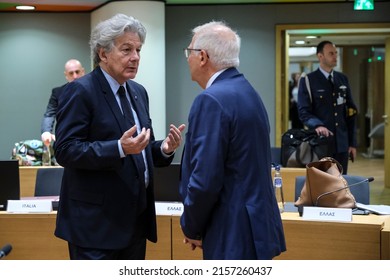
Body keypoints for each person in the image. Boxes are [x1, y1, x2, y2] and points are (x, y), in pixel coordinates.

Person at [53, 13, 185, 260]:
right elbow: (66, 150)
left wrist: (164, 148)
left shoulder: (138, 92)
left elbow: (140, 149)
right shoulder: (80, 91)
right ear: (103, 54)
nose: (135, 57)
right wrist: (118, 148)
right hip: (95, 227)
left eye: (138, 50)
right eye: (126, 50)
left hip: (135, 221)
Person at [179, 21, 286, 260]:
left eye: (189, 52)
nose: (187, 58)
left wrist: (191, 225)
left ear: (203, 57)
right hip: (255, 227)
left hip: (231, 232)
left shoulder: (210, 100)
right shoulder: (248, 91)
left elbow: (205, 179)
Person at [297, 40, 357, 174]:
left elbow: (351, 112)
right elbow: (303, 112)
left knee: (341, 182)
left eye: (336, 53)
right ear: (320, 56)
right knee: (322, 184)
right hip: (321, 144)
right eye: (331, 53)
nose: (335, 56)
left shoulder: (342, 79)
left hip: (342, 143)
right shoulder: (308, 80)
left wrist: (352, 143)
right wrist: (318, 125)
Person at [41, 59, 85, 147]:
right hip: (66, 141)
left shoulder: (94, 90)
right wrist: (46, 132)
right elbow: (49, 114)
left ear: (83, 72)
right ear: (66, 75)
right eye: (71, 73)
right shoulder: (57, 93)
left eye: (77, 72)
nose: (75, 76)